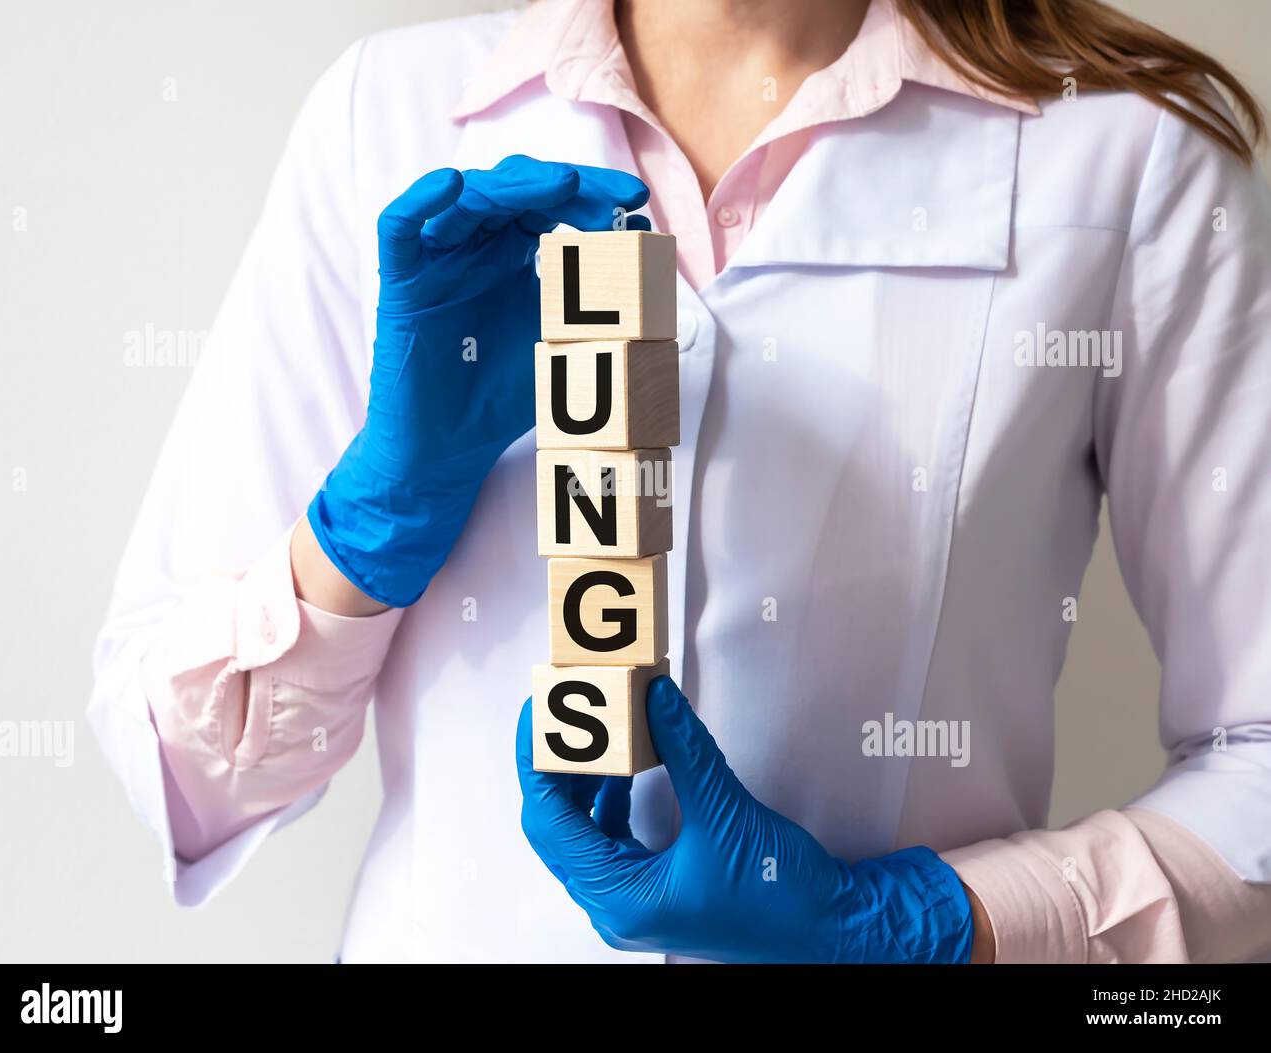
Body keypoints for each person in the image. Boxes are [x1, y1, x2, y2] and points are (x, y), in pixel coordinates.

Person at [90, 0, 1271, 963]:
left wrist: (926, 930)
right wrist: (365, 529)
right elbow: (181, 781)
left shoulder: (1130, 156)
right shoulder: (386, 115)